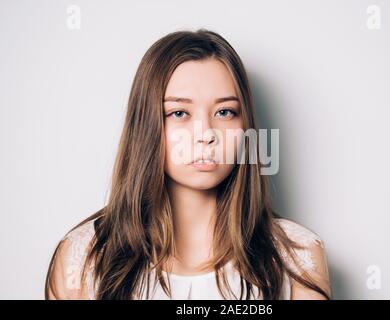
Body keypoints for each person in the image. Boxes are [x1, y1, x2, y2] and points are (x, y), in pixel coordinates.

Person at [45, 29, 331, 300]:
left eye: (225, 112)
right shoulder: (84, 257)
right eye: (179, 112)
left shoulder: (297, 257)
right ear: (146, 126)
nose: (206, 134)